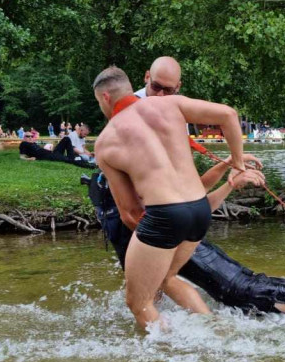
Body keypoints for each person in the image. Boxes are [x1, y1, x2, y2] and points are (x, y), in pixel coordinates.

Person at [130, 56, 285, 316]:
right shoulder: (134, 121)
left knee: (247, 287)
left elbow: (193, 195)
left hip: (176, 228)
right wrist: (234, 167)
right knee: (236, 286)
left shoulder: (171, 114)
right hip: (164, 227)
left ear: (178, 88)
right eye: (157, 88)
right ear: (146, 78)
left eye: (169, 91)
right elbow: (186, 198)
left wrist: (231, 168)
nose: (161, 96)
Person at [93, 66, 256, 330]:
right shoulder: (171, 105)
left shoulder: (105, 141)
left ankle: (168, 359)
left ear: (105, 98)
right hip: (200, 211)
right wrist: (237, 162)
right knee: (167, 278)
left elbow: (130, 213)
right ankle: (214, 331)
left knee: (139, 303)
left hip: (164, 216)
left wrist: (159, 241)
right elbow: (228, 114)